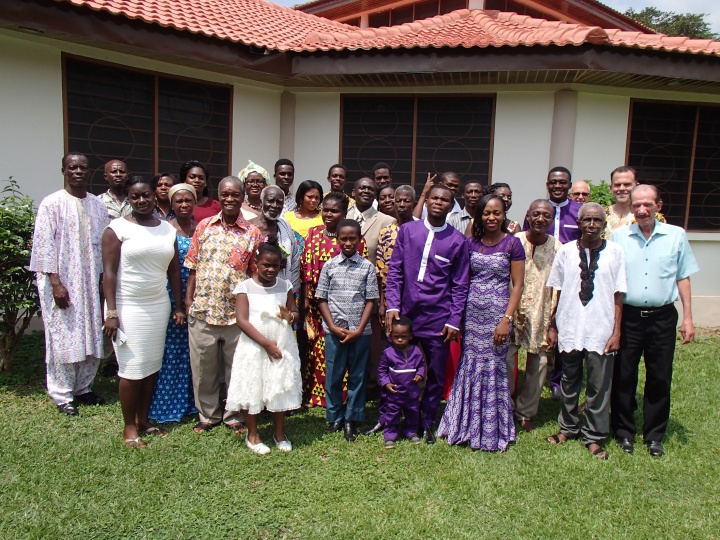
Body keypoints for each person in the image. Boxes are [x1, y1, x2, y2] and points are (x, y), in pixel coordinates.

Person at [610, 184, 698, 457]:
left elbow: (683, 276)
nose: (642, 210)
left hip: (662, 316)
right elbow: (612, 281)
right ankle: (624, 432)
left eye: (647, 204)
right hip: (630, 317)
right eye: (636, 205)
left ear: (659, 206)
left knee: (659, 376)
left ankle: (654, 435)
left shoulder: (676, 236)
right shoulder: (619, 237)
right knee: (624, 375)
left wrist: (689, 318)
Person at [102, 176, 185, 448]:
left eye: (146, 195)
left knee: (151, 367)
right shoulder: (116, 229)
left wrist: (179, 305)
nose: (141, 200)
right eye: (135, 197)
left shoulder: (167, 230)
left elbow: (174, 271)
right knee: (131, 369)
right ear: (129, 199)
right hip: (128, 306)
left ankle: (144, 420)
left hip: (157, 305)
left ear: (154, 196)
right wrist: (112, 311)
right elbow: (109, 273)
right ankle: (129, 427)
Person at [438, 194, 525, 451]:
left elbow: (518, 285)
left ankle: (491, 429)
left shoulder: (512, 244)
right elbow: (461, 280)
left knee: (493, 367)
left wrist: (506, 320)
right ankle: (464, 424)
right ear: (479, 215)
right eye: (486, 213)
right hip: (472, 313)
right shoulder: (471, 243)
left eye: (496, 213)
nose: (491, 217)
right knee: (470, 365)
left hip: (498, 313)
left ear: (504, 214)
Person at [386, 184, 469, 444]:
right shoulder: (408, 231)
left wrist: (454, 320)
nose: (438, 202)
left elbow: (460, 284)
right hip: (406, 317)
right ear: (427, 200)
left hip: (438, 320)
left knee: (434, 374)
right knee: (400, 369)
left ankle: (426, 422)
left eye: (445, 199)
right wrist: (392, 305)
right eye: (434, 197)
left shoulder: (457, 241)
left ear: (450, 205)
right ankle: (396, 419)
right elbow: (396, 271)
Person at [30, 152, 110, 416]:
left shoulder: (97, 205)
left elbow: (103, 245)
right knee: (63, 337)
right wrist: (55, 282)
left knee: (90, 335)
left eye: (83, 168)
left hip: (89, 281)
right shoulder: (52, 203)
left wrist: (102, 280)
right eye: (72, 167)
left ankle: (83, 388)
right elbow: (43, 246)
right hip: (61, 282)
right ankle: (62, 394)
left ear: (90, 172)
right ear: (63, 170)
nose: (78, 171)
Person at [546, 202, 626, 460]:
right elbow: (555, 291)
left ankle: (594, 436)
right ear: (579, 223)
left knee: (598, 385)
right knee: (569, 381)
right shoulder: (567, 251)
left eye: (597, 220)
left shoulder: (615, 252)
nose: (591, 224)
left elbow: (618, 295)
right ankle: (568, 427)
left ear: (604, 224)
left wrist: (616, 332)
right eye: (586, 220)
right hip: (570, 326)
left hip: (600, 328)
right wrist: (551, 325)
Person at [184, 176, 264, 435]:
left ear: (242, 198)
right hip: (203, 310)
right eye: (225, 195)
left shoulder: (252, 233)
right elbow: (193, 268)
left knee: (236, 368)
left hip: (236, 314)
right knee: (203, 368)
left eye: (235, 195)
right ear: (220, 197)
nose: (230, 199)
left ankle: (233, 415)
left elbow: (256, 275)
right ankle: (207, 415)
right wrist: (188, 300)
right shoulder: (204, 226)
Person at [226, 242, 302, 455]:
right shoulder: (245, 288)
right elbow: (242, 320)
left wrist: (290, 316)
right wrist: (266, 344)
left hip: (281, 344)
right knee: (254, 387)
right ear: (255, 264)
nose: (270, 270)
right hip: (255, 346)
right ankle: (252, 434)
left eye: (275, 266)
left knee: (278, 386)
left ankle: (279, 433)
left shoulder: (285, 285)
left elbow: (294, 313)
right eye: (266, 265)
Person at [301, 192, 368, 409]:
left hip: (346, 303)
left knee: (344, 351)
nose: (328, 214)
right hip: (318, 302)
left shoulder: (354, 239)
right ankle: (317, 396)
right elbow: (304, 269)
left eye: (334, 210)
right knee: (319, 351)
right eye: (325, 210)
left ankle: (346, 397)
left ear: (344, 212)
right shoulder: (313, 234)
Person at [316, 219, 379, 442]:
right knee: (333, 375)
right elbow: (321, 298)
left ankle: (352, 417)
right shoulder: (329, 266)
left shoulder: (367, 267)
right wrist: (332, 325)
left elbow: (371, 300)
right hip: (334, 331)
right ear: (337, 239)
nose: (348, 242)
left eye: (353, 238)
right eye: (344, 238)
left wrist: (359, 329)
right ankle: (335, 416)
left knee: (358, 376)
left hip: (360, 332)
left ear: (360, 239)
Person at [506, 200, 559, 432]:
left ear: (552, 219)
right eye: (536, 214)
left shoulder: (559, 248)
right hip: (510, 311)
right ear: (527, 215)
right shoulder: (513, 242)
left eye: (546, 215)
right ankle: (504, 406)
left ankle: (526, 411)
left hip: (542, 312)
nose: (540, 219)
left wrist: (553, 324)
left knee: (539, 365)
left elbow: (562, 288)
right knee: (505, 360)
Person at [149, 183, 199, 424]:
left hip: (198, 296)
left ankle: (192, 402)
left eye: (188, 200)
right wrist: (178, 304)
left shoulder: (202, 229)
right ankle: (168, 403)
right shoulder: (164, 230)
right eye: (178, 201)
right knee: (172, 351)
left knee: (194, 351)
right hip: (171, 295)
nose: (183, 205)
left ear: (195, 202)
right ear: (172, 203)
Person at [347, 177, 396, 398]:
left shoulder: (387, 220)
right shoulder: (343, 214)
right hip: (345, 289)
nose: (366, 190)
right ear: (354, 191)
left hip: (372, 291)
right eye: (361, 187)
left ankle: (372, 384)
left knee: (373, 340)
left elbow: (388, 261)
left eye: (370, 188)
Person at [377, 316, 425, 449]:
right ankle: (390, 435)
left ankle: (410, 431)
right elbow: (382, 370)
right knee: (392, 413)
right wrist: (386, 383)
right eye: (396, 336)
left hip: (411, 392)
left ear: (410, 336)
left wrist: (420, 374)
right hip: (395, 392)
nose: (399, 339)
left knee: (412, 412)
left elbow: (421, 365)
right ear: (391, 336)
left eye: (403, 336)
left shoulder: (416, 351)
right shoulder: (388, 353)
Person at [251, 186, 300, 292]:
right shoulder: (250, 227)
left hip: (281, 290)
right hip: (253, 289)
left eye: (279, 202)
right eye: (270, 201)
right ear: (261, 202)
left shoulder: (286, 228)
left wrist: (289, 290)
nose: (275, 205)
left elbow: (295, 261)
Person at [603, 166, 665, 239]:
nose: (622, 188)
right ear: (611, 188)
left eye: (627, 184)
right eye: (617, 185)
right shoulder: (601, 214)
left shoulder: (654, 217)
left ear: (637, 186)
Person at [524, 167, 582, 244]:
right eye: (553, 182)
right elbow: (525, 238)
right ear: (547, 185)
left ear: (570, 185)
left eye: (563, 182)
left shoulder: (580, 211)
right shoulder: (536, 211)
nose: (557, 186)